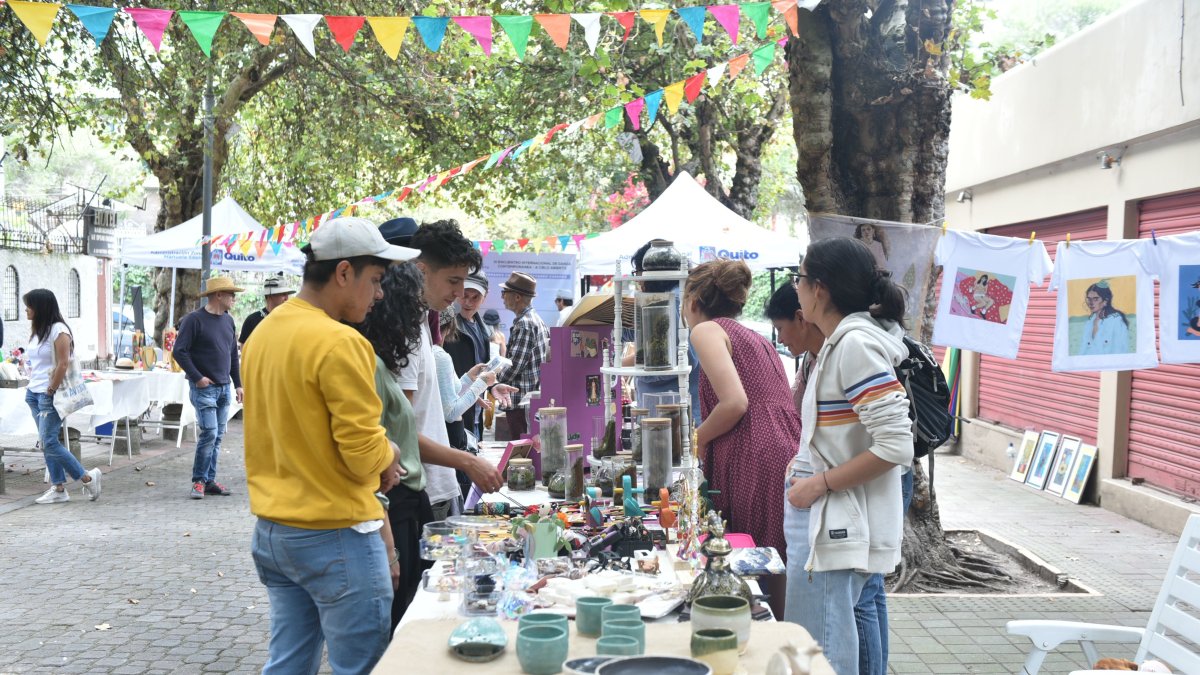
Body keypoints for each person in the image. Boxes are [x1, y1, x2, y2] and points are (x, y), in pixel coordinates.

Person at [242, 216, 414, 674]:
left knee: (287, 665)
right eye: (375, 280)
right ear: (343, 273)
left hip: (275, 532)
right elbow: (363, 455)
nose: (379, 294)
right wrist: (393, 454)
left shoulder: (262, 334)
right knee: (358, 668)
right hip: (335, 534)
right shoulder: (341, 342)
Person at [767, 281, 913, 675]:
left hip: (832, 514)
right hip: (825, 510)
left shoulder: (853, 345)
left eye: (800, 279)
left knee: (823, 643)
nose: (795, 288)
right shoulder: (837, 346)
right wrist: (806, 466)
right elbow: (841, 437)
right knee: (823, 632)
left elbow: (897, 444)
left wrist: (819, 482)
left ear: (820, 291)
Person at [383, 219, 504, 522]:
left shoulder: (422, 320)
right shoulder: (405, 330)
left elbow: (430, 403)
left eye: (464, 281)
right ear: (421, 271)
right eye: (453, 281)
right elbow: (401, 432)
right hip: (415, 489)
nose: (460, 292)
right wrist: (467, 462)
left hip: (431, 487)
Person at [684, 259, 800, 559]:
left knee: (754, 559)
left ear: (693, 301)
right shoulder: (756, 337)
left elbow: (735, 403)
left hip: (753, 451)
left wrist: (695, 440)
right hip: (784, 447)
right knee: (773, 557)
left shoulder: (706, 330)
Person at [21, 289, 102, 504]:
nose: (26, 309)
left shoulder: (59, 330)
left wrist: (50, 390)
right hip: (34, 393)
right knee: (48, 441)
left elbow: (63, 363)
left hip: (50, 394)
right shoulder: (40, 330)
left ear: (40, 307)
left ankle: (87, 477)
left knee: (49, 442)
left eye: (29, 305)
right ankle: (58, 488)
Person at [173, 276, 244, 500]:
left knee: (218, 436)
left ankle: (209, 480)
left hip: (224, 387)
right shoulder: (194, 320)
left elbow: (232, 354)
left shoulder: (228, 320)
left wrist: (238, 384)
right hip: (205, 389)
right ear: (218, 295)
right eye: (231, 293)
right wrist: (197, 377)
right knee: (210, 433)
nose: (234, 298)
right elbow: (179, 351)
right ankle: (198, 481)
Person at [497, 271, 549, 439]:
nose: (502, 297)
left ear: (517, 297)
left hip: (520, 401)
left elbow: (514, 366)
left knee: (522, 452)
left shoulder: (525, 324)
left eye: (505, 293)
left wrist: (495, 381)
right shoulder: (535, 319)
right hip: (527, 400)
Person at [443, 270, 492, 439]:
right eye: (465, 295)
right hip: (455, 412)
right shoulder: (448, 327)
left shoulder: (483, 328)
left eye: (475, 297)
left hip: (475, 410)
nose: (468, 302)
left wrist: (494, 386)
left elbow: (482, 368)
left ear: (485, 297)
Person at [1078, 280, 1134, 355]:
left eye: (1096, 299)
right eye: (1089, 299)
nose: (1091, 303)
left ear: (1105, 301)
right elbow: (1083, 350)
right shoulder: (1089, 322)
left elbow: (1121, 350)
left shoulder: (1116, 321)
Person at [238, 276, 295, 348]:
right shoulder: (252, 320)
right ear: (270, 295)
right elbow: (244, 349)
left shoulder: (290, 319)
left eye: (287, 294)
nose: (287, 298)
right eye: (283, 294)